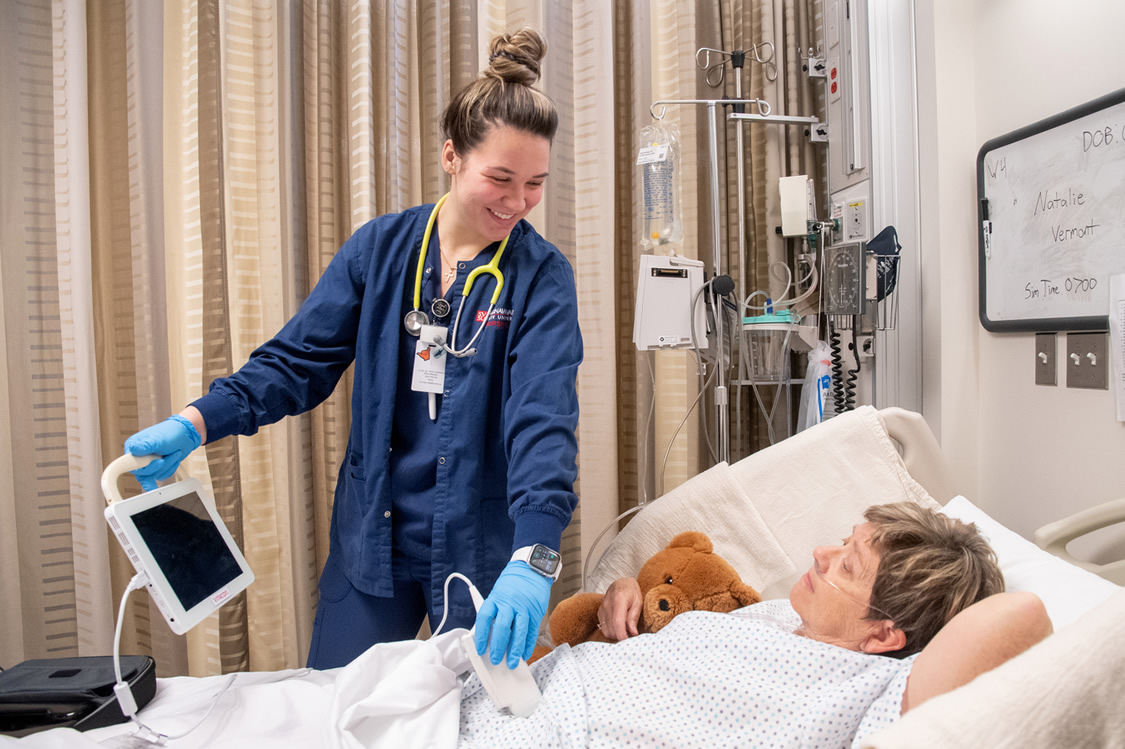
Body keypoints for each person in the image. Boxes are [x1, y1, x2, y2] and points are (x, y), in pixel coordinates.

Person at [123, 29, 581, 671]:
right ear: (451, 155)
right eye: (500, 178)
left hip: (482, 549)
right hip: (377, 540)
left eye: (535, 184)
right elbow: (295, 363)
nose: (517, 202)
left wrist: (535, 556)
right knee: (336, 714)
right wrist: (197, 422)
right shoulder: (380, 252)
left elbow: (544, 418)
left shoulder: (541, 276)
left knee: (483, 724)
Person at [592, 502, 1052, 715]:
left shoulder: (868, 690)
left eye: (848, 566)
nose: (819, 553)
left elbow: (1024, 615)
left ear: (882, 635)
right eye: (842, 542)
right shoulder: (780, 614)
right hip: (543, 686)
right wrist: (627, 588)